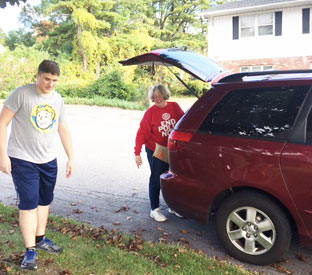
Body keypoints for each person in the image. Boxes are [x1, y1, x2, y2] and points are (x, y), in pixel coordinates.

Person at [0, 60, 74, 270]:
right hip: (23, 160)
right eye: (47, 79)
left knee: (44, 201)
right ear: (38, 76)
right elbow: (2, 122)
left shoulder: (58, 99)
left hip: (48, 160)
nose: (51, 84)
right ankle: (30, 250)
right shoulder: (21, 94)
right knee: (29, 204)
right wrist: (2, 155)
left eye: (55, 80)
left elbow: (63, 128)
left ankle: (40, 238)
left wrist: (71, 156)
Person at [135, 84, 184, 222]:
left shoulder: (174, 107)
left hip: (171, 149)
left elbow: (184, 122)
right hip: (156, 149)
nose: (157, 99)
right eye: (154, 97)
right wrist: (137, 152)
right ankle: (154, 209)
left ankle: (173, 207)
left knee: (172, 179)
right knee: (157, 178)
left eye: (159, 96)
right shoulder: (150, 113)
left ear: (164, 95)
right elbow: (141, 133)